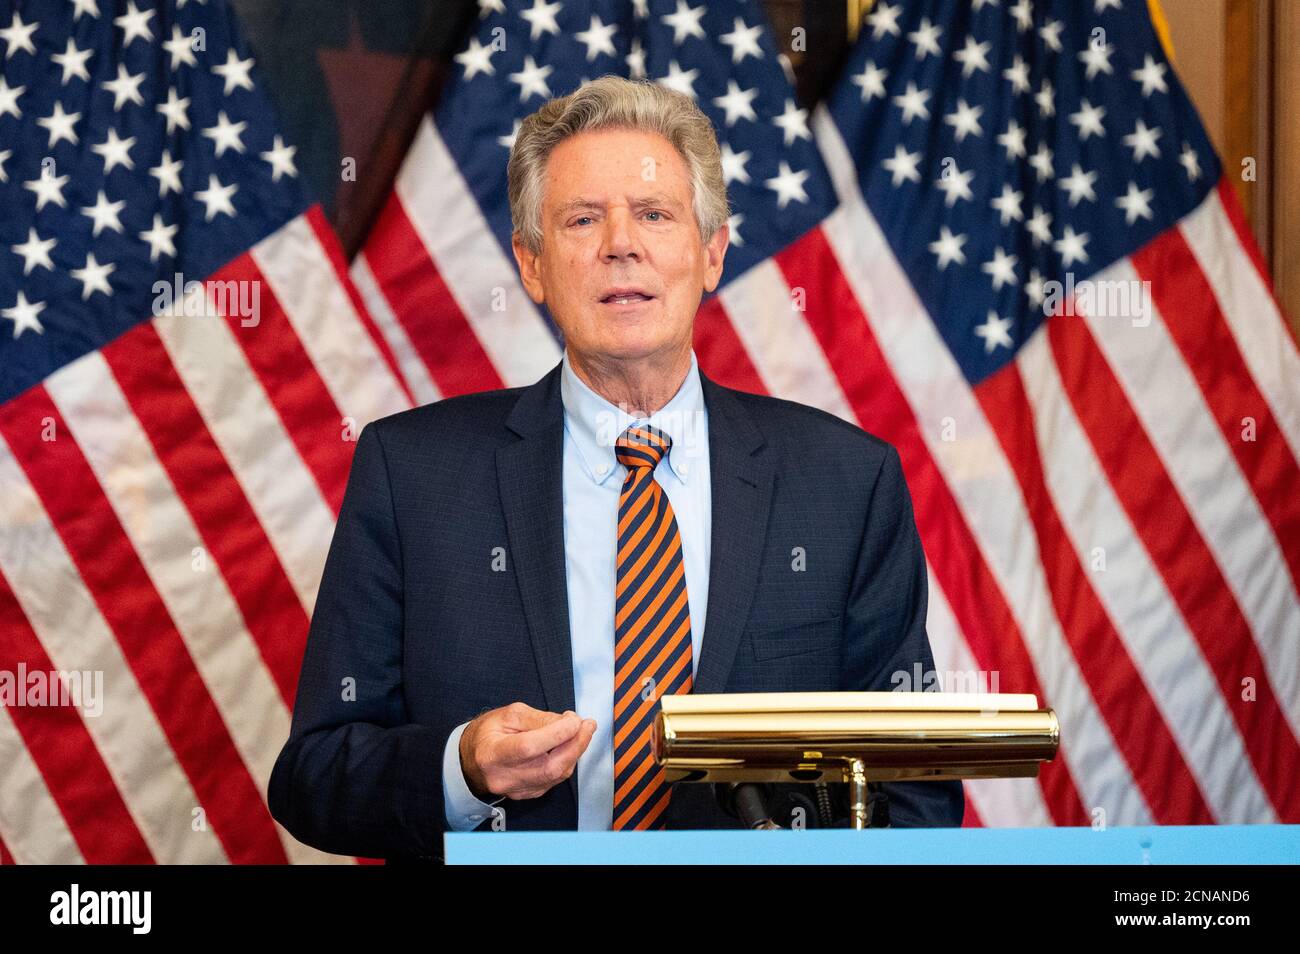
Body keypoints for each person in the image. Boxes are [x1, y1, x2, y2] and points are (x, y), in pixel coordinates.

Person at [268, 75, 963, 862]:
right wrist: (462, 768)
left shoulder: (845, 482)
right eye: (583, 219)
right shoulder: (413, 475)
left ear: (711, 253)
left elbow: (913, 786)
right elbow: (313, 776)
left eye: (655, 215)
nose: (619, 243)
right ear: (531, 265)